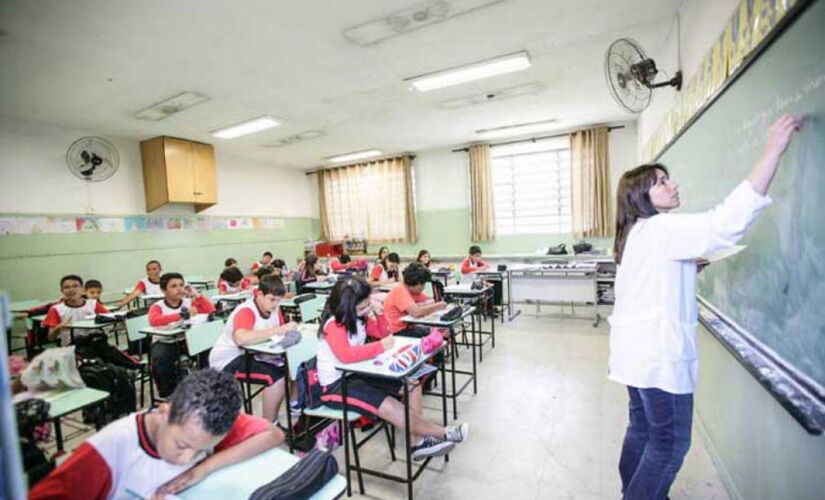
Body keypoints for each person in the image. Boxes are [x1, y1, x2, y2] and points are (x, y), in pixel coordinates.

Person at [609, 114, 803, 500]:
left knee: (643, 430)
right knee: (669, 446)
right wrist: (772, 150)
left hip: (635, 353)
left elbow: (656, 281)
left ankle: (631, 492)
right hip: (658, 355)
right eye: (661, 182)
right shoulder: (662, 229)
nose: (672, 184)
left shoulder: (636, 234)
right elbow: (726, 223)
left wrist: (692, 265)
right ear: (641, 196)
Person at [29, 369, 284, 499]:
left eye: (199, 450)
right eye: (182, 445)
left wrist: (204, 467)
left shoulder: (206, 419)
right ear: (165, 411)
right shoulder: (109, 449)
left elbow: (273, 435)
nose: (186, 459)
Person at [316, 276, 469, 461]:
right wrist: (380, 346)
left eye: (367, 305)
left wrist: (379, 313)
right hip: (334, 386)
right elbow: (346, 355)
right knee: (388, 404)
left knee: (411, 384)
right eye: (362, 307)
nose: (366, 310)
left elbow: (383, 333)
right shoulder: (334, 324)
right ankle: (443, 433)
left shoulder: (358, 317)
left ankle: (417, 442)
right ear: (347, 307)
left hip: (357, 374)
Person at [209, 275, 298, 423]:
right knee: (276, 377)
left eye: (278, 300)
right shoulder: (246, 311)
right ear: (259, 294)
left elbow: (280, 333)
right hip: (229, 359)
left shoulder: (274, 308)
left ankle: (295, 406)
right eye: (272, 299)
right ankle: (268, 425)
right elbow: (241, 338)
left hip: (253, 352)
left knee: (295, 363)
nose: (275, 304)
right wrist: (280, 330)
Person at [148, 273, 216, 398]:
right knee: (160, 359)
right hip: (165, 341)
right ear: (164, 290)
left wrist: (196, 294)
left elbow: (210, 310)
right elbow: (154, 321)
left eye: (181, 285)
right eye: (173, 286)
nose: (179, 289)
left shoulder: (188, 301)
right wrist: (182, 315)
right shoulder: (157, 306)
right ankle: (168, 393)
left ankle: (206, 385)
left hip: (187, 339)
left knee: (208, 352)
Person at [43, 275, 110, 346]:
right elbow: (51, 338)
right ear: (62, 290)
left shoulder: (93, 304)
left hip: (95, 344)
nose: (71, 290)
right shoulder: (56, 309)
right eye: (67, 287)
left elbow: (111, 319)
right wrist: (58, 327)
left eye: (75, 286)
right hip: (71, 348)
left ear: (82, 289)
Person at [383, 263, 447, 336]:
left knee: (439, 331)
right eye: (424, 285)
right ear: (418, 284)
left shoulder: (412, 290)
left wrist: (421, 306)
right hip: (400, 331)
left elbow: (430, 301)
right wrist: (437, 306)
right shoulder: (400, 290)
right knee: (438, 335)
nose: (424, 288)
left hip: (411, 326)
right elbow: (416, 312)